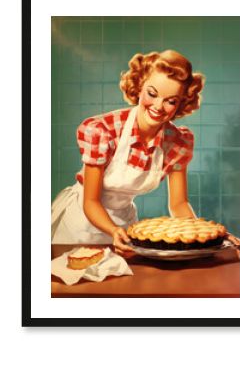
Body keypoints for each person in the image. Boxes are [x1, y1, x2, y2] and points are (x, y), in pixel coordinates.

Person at [51, 50, 205, 254]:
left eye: (171, 101)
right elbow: (90, 201)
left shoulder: (177, 142)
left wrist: (206, 237)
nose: (158, 106)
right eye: (152, 94)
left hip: (125, 225)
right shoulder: (104, 130)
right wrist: (112, 230)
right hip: (80, 224)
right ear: (139, 87)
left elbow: (179, 204)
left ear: (181, 104)